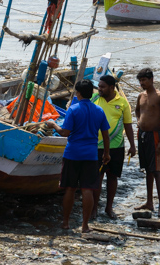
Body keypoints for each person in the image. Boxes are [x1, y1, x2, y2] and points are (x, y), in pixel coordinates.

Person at [46, 79, 110, 233]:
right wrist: (106, 153)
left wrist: (53, 124)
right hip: (90, 155)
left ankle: (66, 223)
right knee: (87, 189)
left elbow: (64, 133)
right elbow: (106, 135)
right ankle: (85, 225)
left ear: (78, 93)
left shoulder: (73, 110)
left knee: (70, 189)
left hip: (73, 154)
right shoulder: (99, 110)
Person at [91, 75, 136, 220]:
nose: (99, 89)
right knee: (97, 177)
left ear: (112, 87)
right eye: (99, 86)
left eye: (102, 87)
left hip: (116, 146)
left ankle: (109, 208)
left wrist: (132, 145)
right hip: (97, 146)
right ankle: (94, 208)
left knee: (112, 177)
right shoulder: (94, 99)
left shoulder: (122, 103)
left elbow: (128, 125)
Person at [134, 68, 160, 217]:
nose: (142, 83)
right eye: (140, 81)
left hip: (155, 136)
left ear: (151, 79)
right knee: (147, 169)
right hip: (142, 135)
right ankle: (149, 202)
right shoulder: (140, 96)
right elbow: (137, 111)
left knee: (156, 170)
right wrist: (139, 122)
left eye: (144, 80)